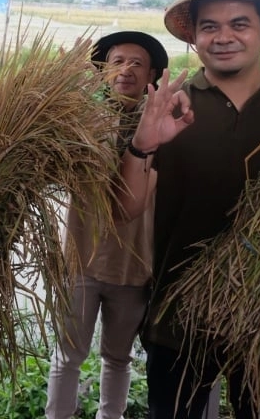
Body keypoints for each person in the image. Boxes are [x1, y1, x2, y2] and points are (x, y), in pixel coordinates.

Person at [118, 0, 260, 419]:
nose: (223, 37)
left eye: (239, 24)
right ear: (194, 38)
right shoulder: (165, 107)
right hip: (177, 315)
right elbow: (125, 209)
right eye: (210, 27)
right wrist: (144, 143)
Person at [45, 31, 168, 419]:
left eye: (136, 63)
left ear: (152, 75)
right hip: (81, 258)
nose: (125, 70)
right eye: (116, 62)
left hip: (134, 264)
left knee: (117, 357)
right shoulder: (79, 124)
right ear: (100, 72)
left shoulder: (167, 127)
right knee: (67, 356)